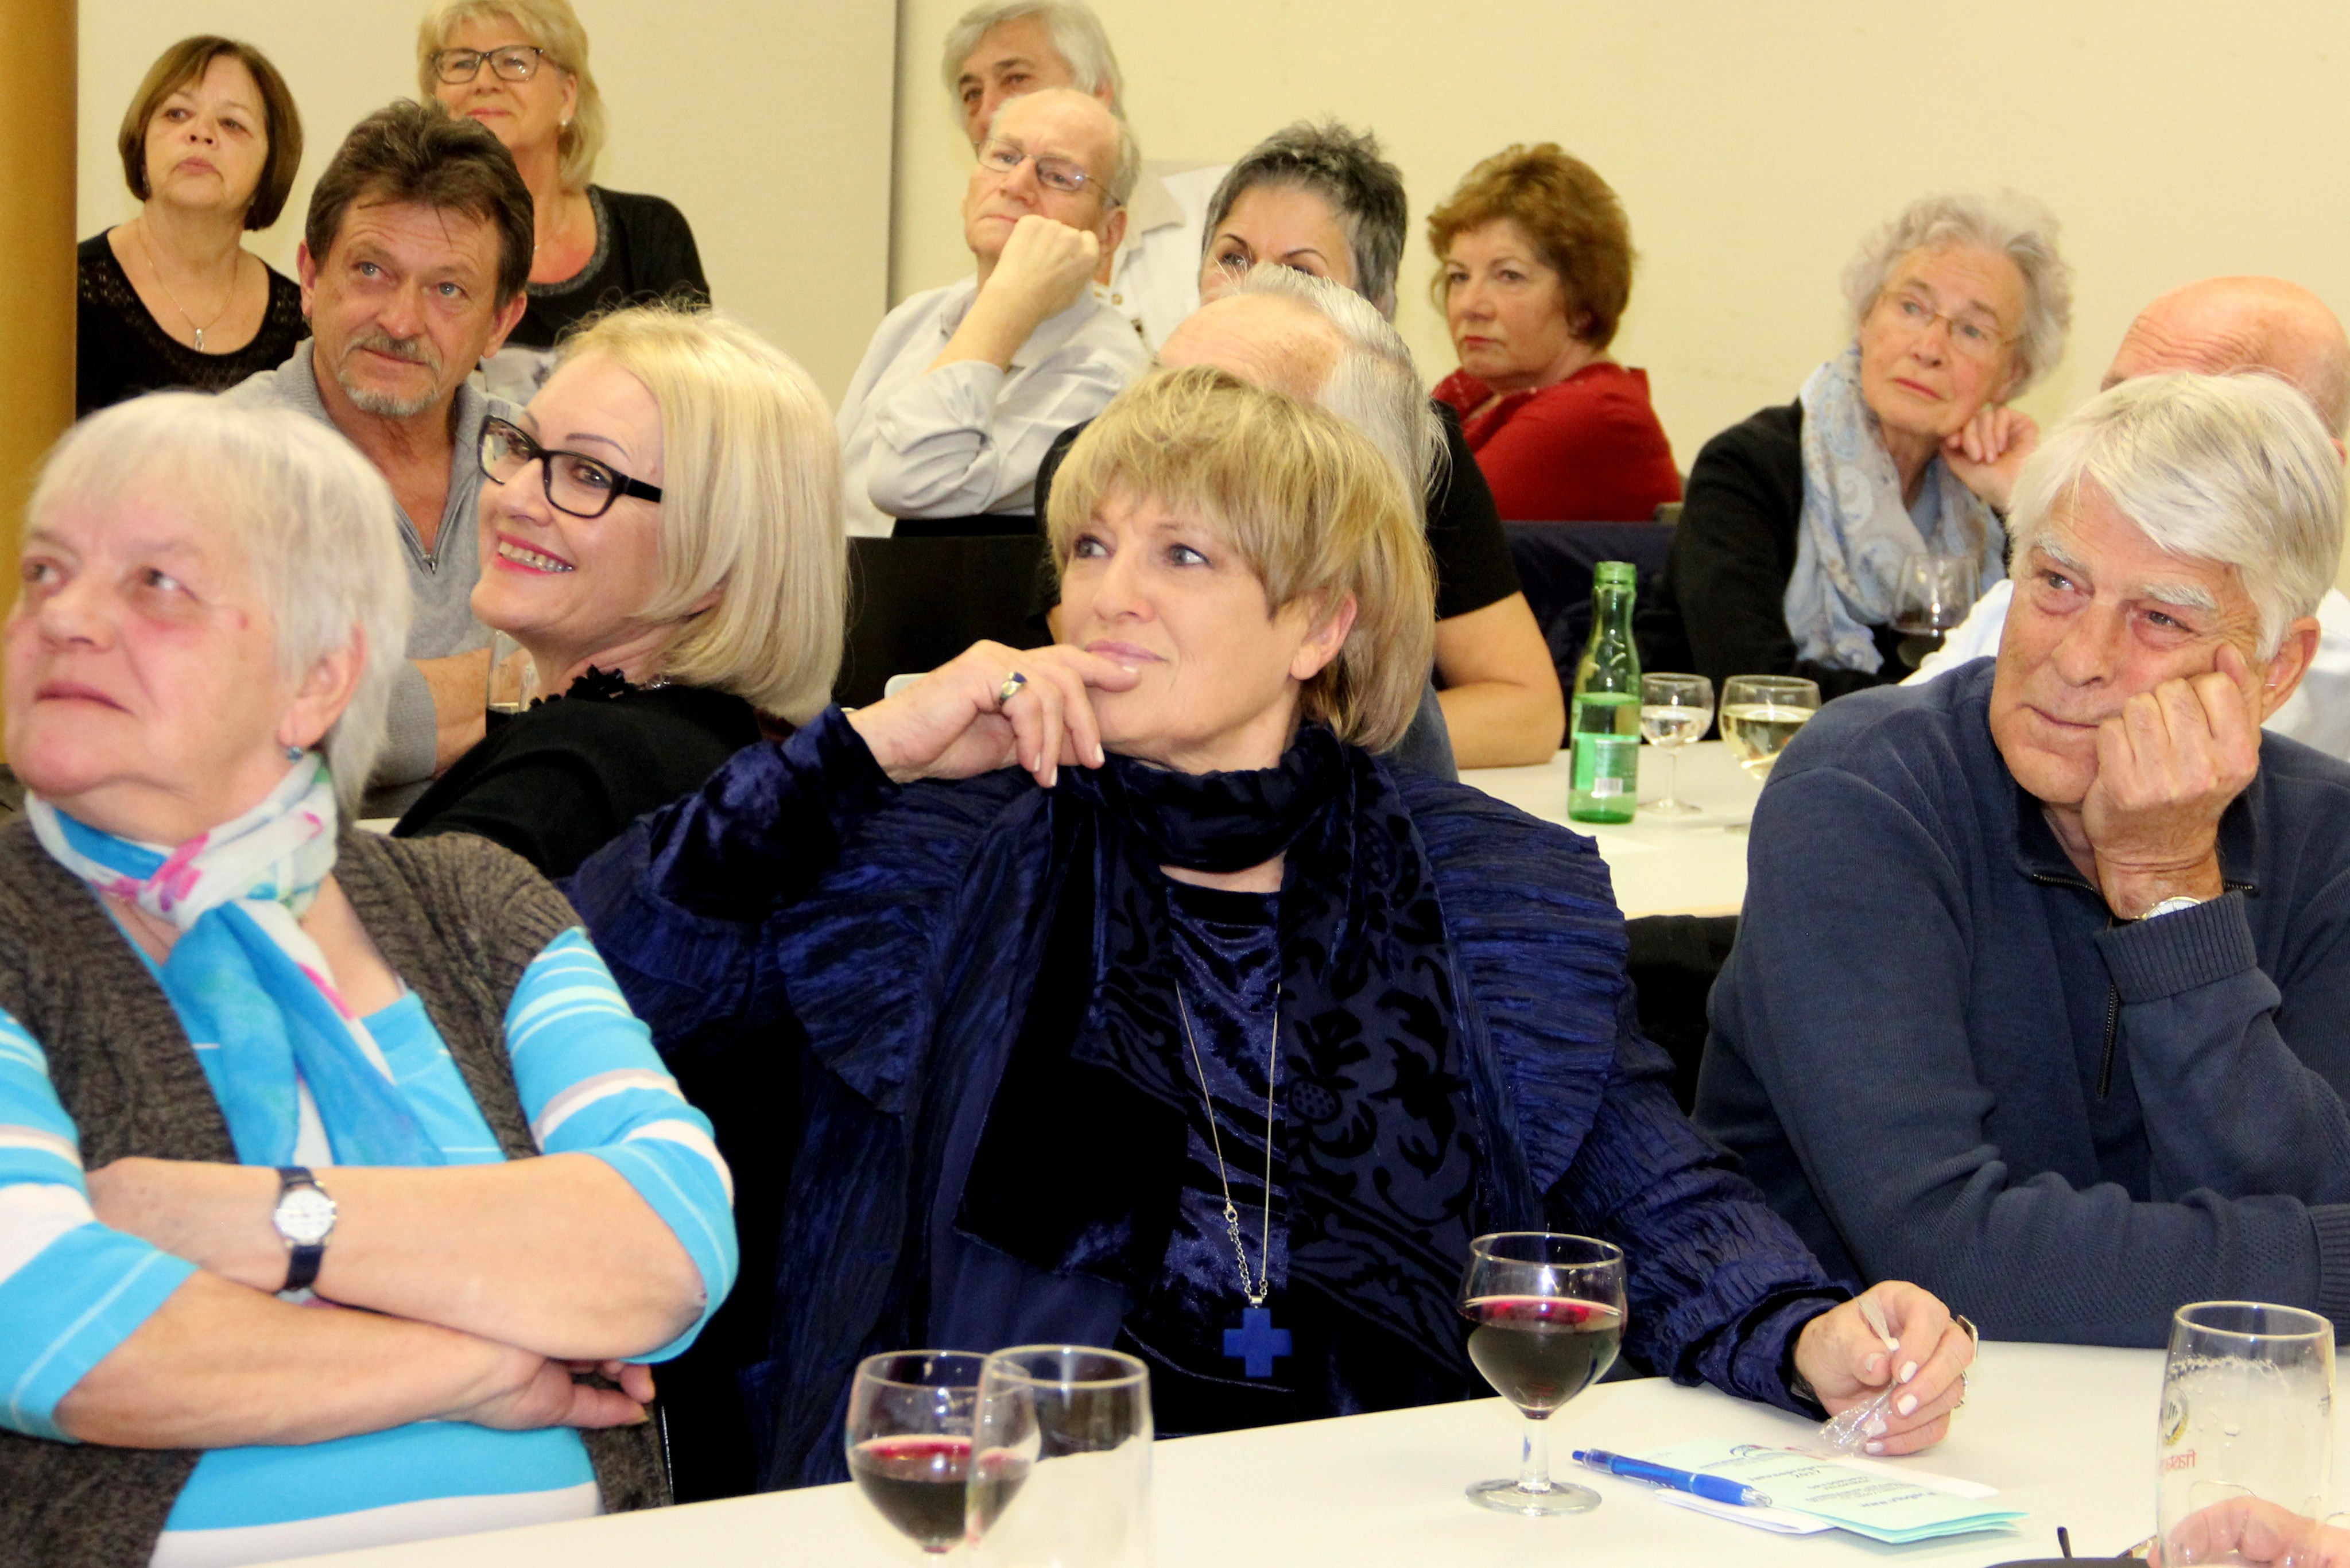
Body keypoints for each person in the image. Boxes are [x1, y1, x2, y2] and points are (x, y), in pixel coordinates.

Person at [566, 366, 1974, 1491]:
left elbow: (1639, 1187)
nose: (1108, 592)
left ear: (1317, 628)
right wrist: (864, 750)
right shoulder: (936, 844)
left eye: (1180, 554)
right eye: (1091, 547)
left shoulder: (1486, 884)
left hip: (1386, 1497)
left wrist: (1803, 1329)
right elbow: (602, 988)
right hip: (1005, 1505)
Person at [0, 393, 735, 1565]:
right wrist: (483, 1366)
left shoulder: (472, 906)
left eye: (157, 584)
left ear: (317, 677)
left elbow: (670, 1245)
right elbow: (53, 1330)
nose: (68, 618)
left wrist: (251, 1221)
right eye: (44, 572)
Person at [1696, 371, 2350, 1347]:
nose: (2077, 657)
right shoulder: (1866, 788)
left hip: (2198, 1411)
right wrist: (2320, 1270)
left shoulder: (2327, 836)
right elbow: (1938, 1252)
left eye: (2159, 618)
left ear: (2275, 669)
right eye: (2056, 584)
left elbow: (2301, 1194)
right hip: (1861, 1415)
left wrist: (2171, 894)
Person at [395, 306, 845, 879]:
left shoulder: (580, 762)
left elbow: (352, 934)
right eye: (521, 447)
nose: (514, 498)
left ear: (716, 561)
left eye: (590, 474)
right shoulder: (717, 747)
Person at [1189, 123, 1562, 764]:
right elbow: (1155, 711)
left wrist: (1325, 754)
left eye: (1300, 271)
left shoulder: (1417, 451)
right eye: (1233, 257)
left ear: (1374, 307)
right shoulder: (1105, 454)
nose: (1253, 289)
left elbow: (1526, 711)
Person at [227, 100, 533, 817]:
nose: (400, 321)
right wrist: (521, 685)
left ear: (500, 322)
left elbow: (641, 666)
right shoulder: (220, 463)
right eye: (371, 270)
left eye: (448, 289)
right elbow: (255, 715)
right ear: (310, 278)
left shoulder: (543, 462)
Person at [1911, 277, 2350, 762]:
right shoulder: (2030, 597)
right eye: (2116, 405)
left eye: (2186, 424)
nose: (2077, 661)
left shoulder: (2326, 678)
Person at [1662, 190, 2072, 698]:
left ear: (2012, 374)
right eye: (1911, 307)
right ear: (1865, 319)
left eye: (1972, 330)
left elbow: (2050, 680)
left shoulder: (1990, 515)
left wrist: (2022, 503)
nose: (1928, 348)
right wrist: (1943, 707)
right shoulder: (1749, 469)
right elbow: (1751, 684)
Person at [837, 87, 1147, 538]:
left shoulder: (1106, 370)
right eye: (1004, 157)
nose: (1015, 185)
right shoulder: (915, 318)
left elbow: (907, 480)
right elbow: (826, 496)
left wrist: (1008, 304)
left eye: (1059, 176)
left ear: (1109, 232)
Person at [420, 0, 709, 404]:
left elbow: (694, 409)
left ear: (567, 95)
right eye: (462, 63)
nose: (484, 81)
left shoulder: (648, 235)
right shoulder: (415, 236)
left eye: (515, 61)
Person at [944, 1, 1224, 350]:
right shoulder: (951, 314)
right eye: (972, 94)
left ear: (1097, 92)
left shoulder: (1222, 208)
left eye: (1015, 79)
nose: (987, 113)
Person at [1426, 144, 1681, 523]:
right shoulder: (1475, 391)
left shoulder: (1592, 414)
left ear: (1582, 300)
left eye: (1509, 276)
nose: (1470, 305)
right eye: (1459, 276)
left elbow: (1408, 534)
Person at [77, 36, 307, 416]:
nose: (201, 133)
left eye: (232, 123)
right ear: (141, 142)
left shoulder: (303, 324)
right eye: (177, 114)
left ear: (271, 165)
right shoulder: (67, 293)